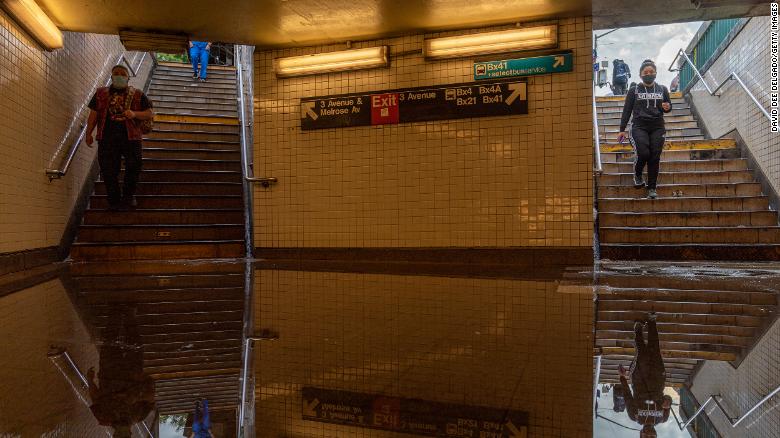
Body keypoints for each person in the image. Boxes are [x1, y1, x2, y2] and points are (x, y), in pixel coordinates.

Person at [85, 65, 154, 210]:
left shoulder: (138, 94)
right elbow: (94, 114)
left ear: (128, 77)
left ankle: (128, 197)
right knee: (108, 169)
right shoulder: (100, 93)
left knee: (134, 167)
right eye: (116, 73)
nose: (119, 76)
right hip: (106, 137)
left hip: (132, 137)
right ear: (111, 76)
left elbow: (149, 113)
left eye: (123, 74)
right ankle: (114, 200)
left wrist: (135, 114)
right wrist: (88, 133)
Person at [617, 59, 672, 199]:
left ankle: (652, 188)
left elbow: (667, 107)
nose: (649, 74)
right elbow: (627, 110)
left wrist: (667, 107)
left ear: (656, 73)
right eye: (645, 72)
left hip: (658, 127)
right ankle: (637, 173)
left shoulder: (663, 89)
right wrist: (622, 129)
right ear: (641, 74)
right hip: (639, 126)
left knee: (655, 157)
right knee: (644, 153)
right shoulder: (634, 90)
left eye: (651, 72)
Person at [618, 313, 673, 436]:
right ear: (656, 435)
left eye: (646, 437)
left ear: (641, 434)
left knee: (641, 353)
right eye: (652, 437)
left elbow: (627, 396)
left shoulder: (634, 416)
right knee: (655, 349)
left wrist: (622, 377)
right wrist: (667, 402)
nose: (649, 435)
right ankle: (652, 321)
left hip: (639, 379)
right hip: (658, 379)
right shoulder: (663, 418)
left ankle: (638, 329)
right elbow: (668, 400)